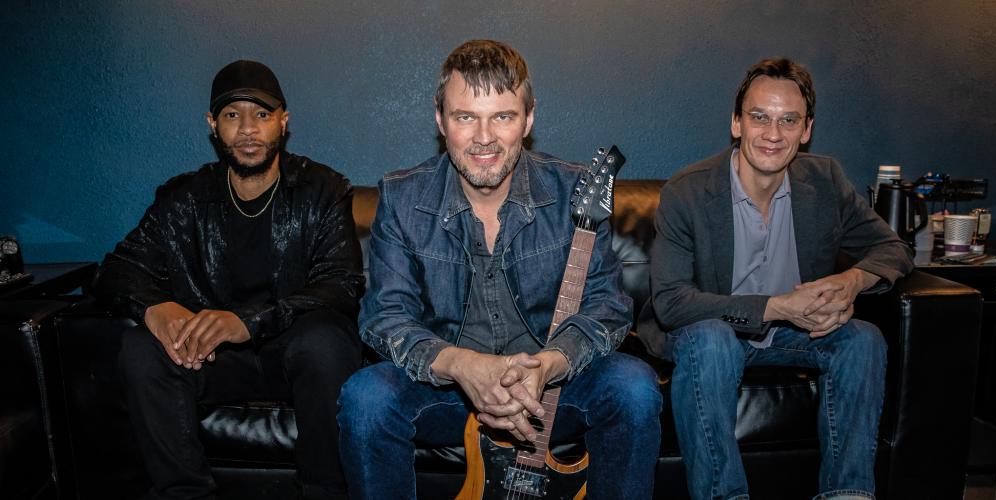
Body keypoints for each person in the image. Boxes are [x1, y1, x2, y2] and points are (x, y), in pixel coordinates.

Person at [337, 39, 662, 499]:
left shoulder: (573, 193)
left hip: (550, 388)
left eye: (503, 117)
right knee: (365, 398)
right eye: (465, 117)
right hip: (447, 389)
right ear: (440, 121)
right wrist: (464, 366)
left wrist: (549, 364)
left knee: (633, 386)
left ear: (528, 120)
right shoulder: (403, 197)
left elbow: (606, 308)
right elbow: (384, 317)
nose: (484, 138)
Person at [637, 58, 913, 500]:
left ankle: (848, 494)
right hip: (712, 335)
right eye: (759, 117)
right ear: (736, 123)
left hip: (791, 334)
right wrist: (776, 306)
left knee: (862, 339)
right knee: (711, 339)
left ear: (806, 130)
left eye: (789, 121)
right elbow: (671, 302)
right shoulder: (688, 190)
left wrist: (852, 281)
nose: (772, 134)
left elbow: (894, 248)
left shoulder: (825, 181)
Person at [96, 60, 365, 500]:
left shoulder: (323, 189)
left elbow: (341, 284)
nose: (247, 129)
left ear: (284, 120)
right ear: (212, 125)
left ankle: (323, 491)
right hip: (213, 360)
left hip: (294, 355)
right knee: (140, 347)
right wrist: (155, 308)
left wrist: (249, 322)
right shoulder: (183, 199)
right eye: (232, 115)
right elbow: (117, 270)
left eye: (261, 114)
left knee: (325, 340)